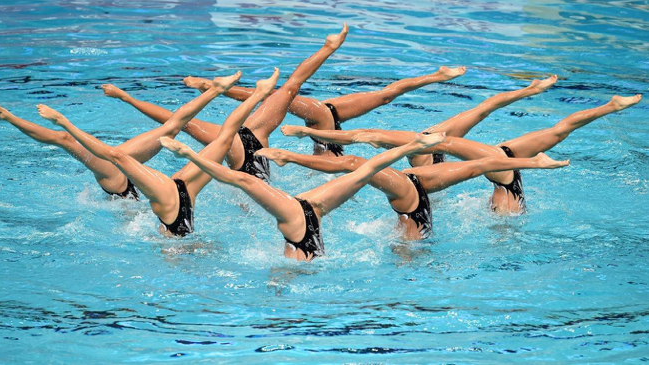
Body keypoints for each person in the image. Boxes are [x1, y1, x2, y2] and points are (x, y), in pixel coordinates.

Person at [283, 94, 643, 214]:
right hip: (499, 162)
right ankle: (608, 107)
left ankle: (609, 107)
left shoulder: (430, 145)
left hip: (494, 166)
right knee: (557, 132)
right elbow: (486, 110)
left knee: (362, 164)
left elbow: (365, 139)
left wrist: (306, 133)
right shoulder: (431, 146)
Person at [34, 69, 276, 236]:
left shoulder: (162, 201)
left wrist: (63, 122)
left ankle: (251, 93)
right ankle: (251, 93)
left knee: (220, 138)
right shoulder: (172, 195)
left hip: (177, 204)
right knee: (223, 139)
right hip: (183, 190)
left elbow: (116, 157)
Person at [101, 23, 350, 180]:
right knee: (290, 86)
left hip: (242, 141)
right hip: (255, 137)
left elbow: (173, 122)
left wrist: (127, 97)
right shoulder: (241, 141)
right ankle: (328, 48)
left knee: (179, 122)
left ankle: (128, 96)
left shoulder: (224, 140)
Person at [158, 132, 447, 261]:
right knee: (362, 171)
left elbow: (240, 179)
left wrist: (189, 154)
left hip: (302, 216)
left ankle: (414, 144)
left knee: (243, 182)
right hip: (311, 209)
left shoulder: (293, 256)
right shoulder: (305, 231)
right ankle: (414, 144)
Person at [0, 73, 240, 200]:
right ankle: (7, 116)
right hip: (120, 183)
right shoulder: (174, 193)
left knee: (171, 128)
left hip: (123, 180)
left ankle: (215, 90)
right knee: (64, 138)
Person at [255, 147, 569, 240]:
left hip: (414, 226)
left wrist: (535, 163)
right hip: (415, 216)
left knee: (358, 169)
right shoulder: (423, 178)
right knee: (359, 170)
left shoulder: (411, 184)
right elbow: (479, 165)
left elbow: (479, 165)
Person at [180, 66, 467, 157]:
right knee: (279, 95)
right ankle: (435, 76)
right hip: (324, 121)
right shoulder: (327, 165)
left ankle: (436, 76)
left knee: (384, 96)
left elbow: (266, 97)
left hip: (326, 119)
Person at [281, 75, 559, 166]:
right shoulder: (419, 147)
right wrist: (305, 132)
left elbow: (485, 107)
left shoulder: (436, 138)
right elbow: (359, 135)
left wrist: (528, 90)